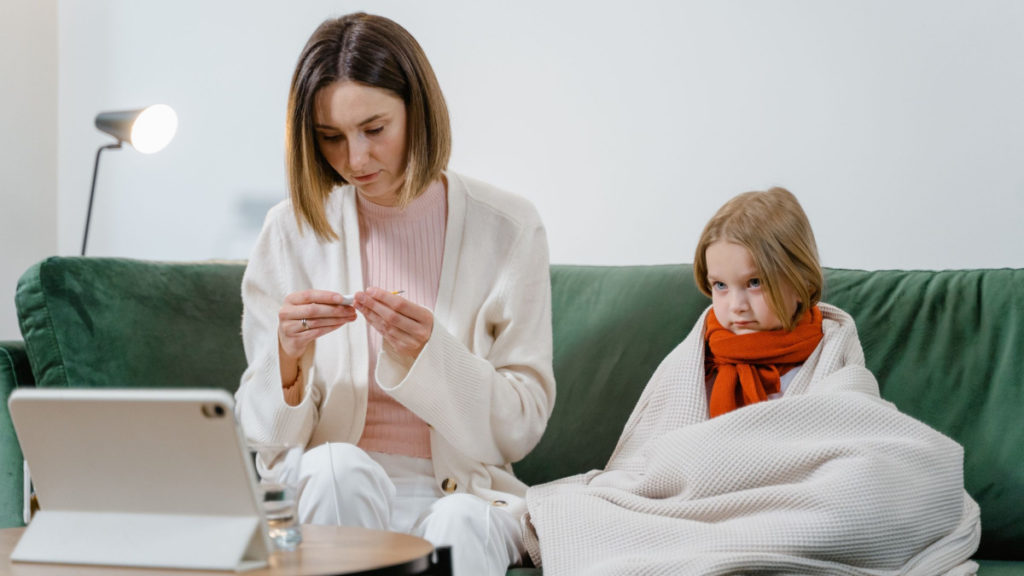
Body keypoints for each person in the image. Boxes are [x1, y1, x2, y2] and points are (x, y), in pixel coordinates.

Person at [234, 13, 555, 576]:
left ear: (418, 111)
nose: (354, 161)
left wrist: (436, 355)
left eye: (374, 129)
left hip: (465, 491)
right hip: (329, 486)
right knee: (336, 469)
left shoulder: (509, 227)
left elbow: (521, 426)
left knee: (462, 522)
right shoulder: (290, 231)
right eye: (330, 138)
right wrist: (286, 361)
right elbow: (264, 438)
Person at [524, 188, 980, 575]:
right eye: (720, 286)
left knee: (866, 486)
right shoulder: (699, 351)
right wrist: (700, 459)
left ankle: (744, 542)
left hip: (786, 501)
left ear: (799, 280)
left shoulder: (831, 344)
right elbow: (653, 453)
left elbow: (853, 431)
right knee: (597, 504)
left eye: (755, 283)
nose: (735, 305)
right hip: (695, 502)